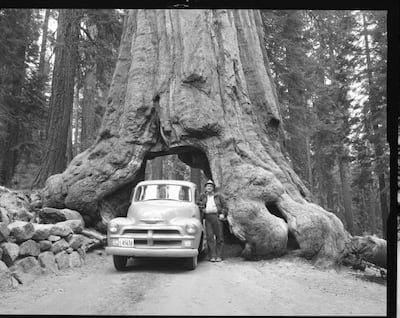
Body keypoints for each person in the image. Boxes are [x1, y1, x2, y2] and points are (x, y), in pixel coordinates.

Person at [198, 179, 228, 262]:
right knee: (209, 237)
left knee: (219, 236)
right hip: (207, 218)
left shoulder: (218, 196)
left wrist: (223, 214)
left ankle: (219, 256)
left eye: (211, 186)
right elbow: (198, 203)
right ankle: (212, 256)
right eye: (208, 186)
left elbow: (225, 207)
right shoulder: (202, 196)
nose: (209, 188)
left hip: (217, 217)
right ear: (205, 188)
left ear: (213, 188)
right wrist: (203, 209)